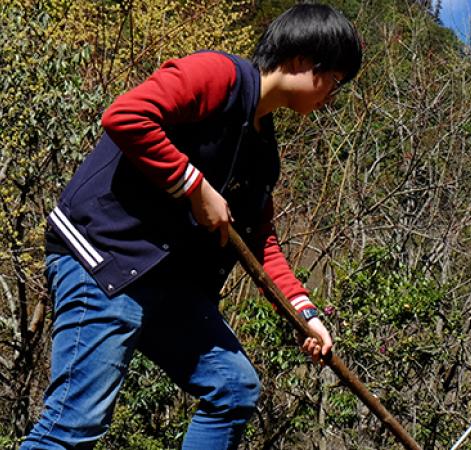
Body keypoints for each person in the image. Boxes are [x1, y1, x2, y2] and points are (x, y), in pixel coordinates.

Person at [22, 4, 361, 449]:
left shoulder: (263, 155)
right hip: (104, 257)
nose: (331, 96)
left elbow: (261, 245)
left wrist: (306, 315)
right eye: (333, 80)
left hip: (167, 283)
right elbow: (127, 116)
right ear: (301, 60)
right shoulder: (217, 76)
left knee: (234, 390)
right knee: (74, 427)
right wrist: (194, 186)